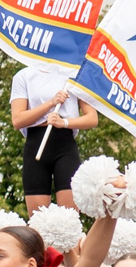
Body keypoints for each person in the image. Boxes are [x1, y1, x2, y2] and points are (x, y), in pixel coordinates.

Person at [8, 66, 98, 210]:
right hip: (36, 145)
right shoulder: (23, 76)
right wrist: (51, 103)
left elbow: (92, 118)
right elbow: (17, 120)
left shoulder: (75, 75)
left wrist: (64, 122)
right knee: (38, 219)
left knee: (70, 217)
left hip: (65, 146)